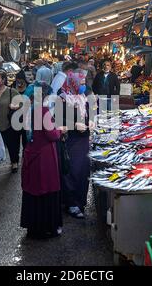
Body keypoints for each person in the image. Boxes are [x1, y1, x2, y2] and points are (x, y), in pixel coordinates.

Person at [21, 82, 65, 239]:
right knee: (47, 189)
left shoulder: (29, 108)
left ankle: (33, 227)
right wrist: (60, 129)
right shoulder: (42, 110)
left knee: (33, 191)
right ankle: (48, 228)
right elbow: (52, 135)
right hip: (44, 157)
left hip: (31, 153)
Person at [59, 66, 93, 219]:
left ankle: (81, 202)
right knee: (71, 172)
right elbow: (59, 123)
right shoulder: (62, 98)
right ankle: (71, 204)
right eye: (82, 82)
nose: (84, 85)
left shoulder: (84, 97)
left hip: (84, 140)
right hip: (71, 142)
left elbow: (91, 114)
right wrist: (74, 126)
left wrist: (91, 122)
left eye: (85, 82)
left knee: (83, 172)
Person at [0, 69, 22, 176]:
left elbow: (22, 103)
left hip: (9, 125)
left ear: (3, 80)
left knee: (13, 145)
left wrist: (16, 106)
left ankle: (14, 163)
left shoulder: (12, 92)